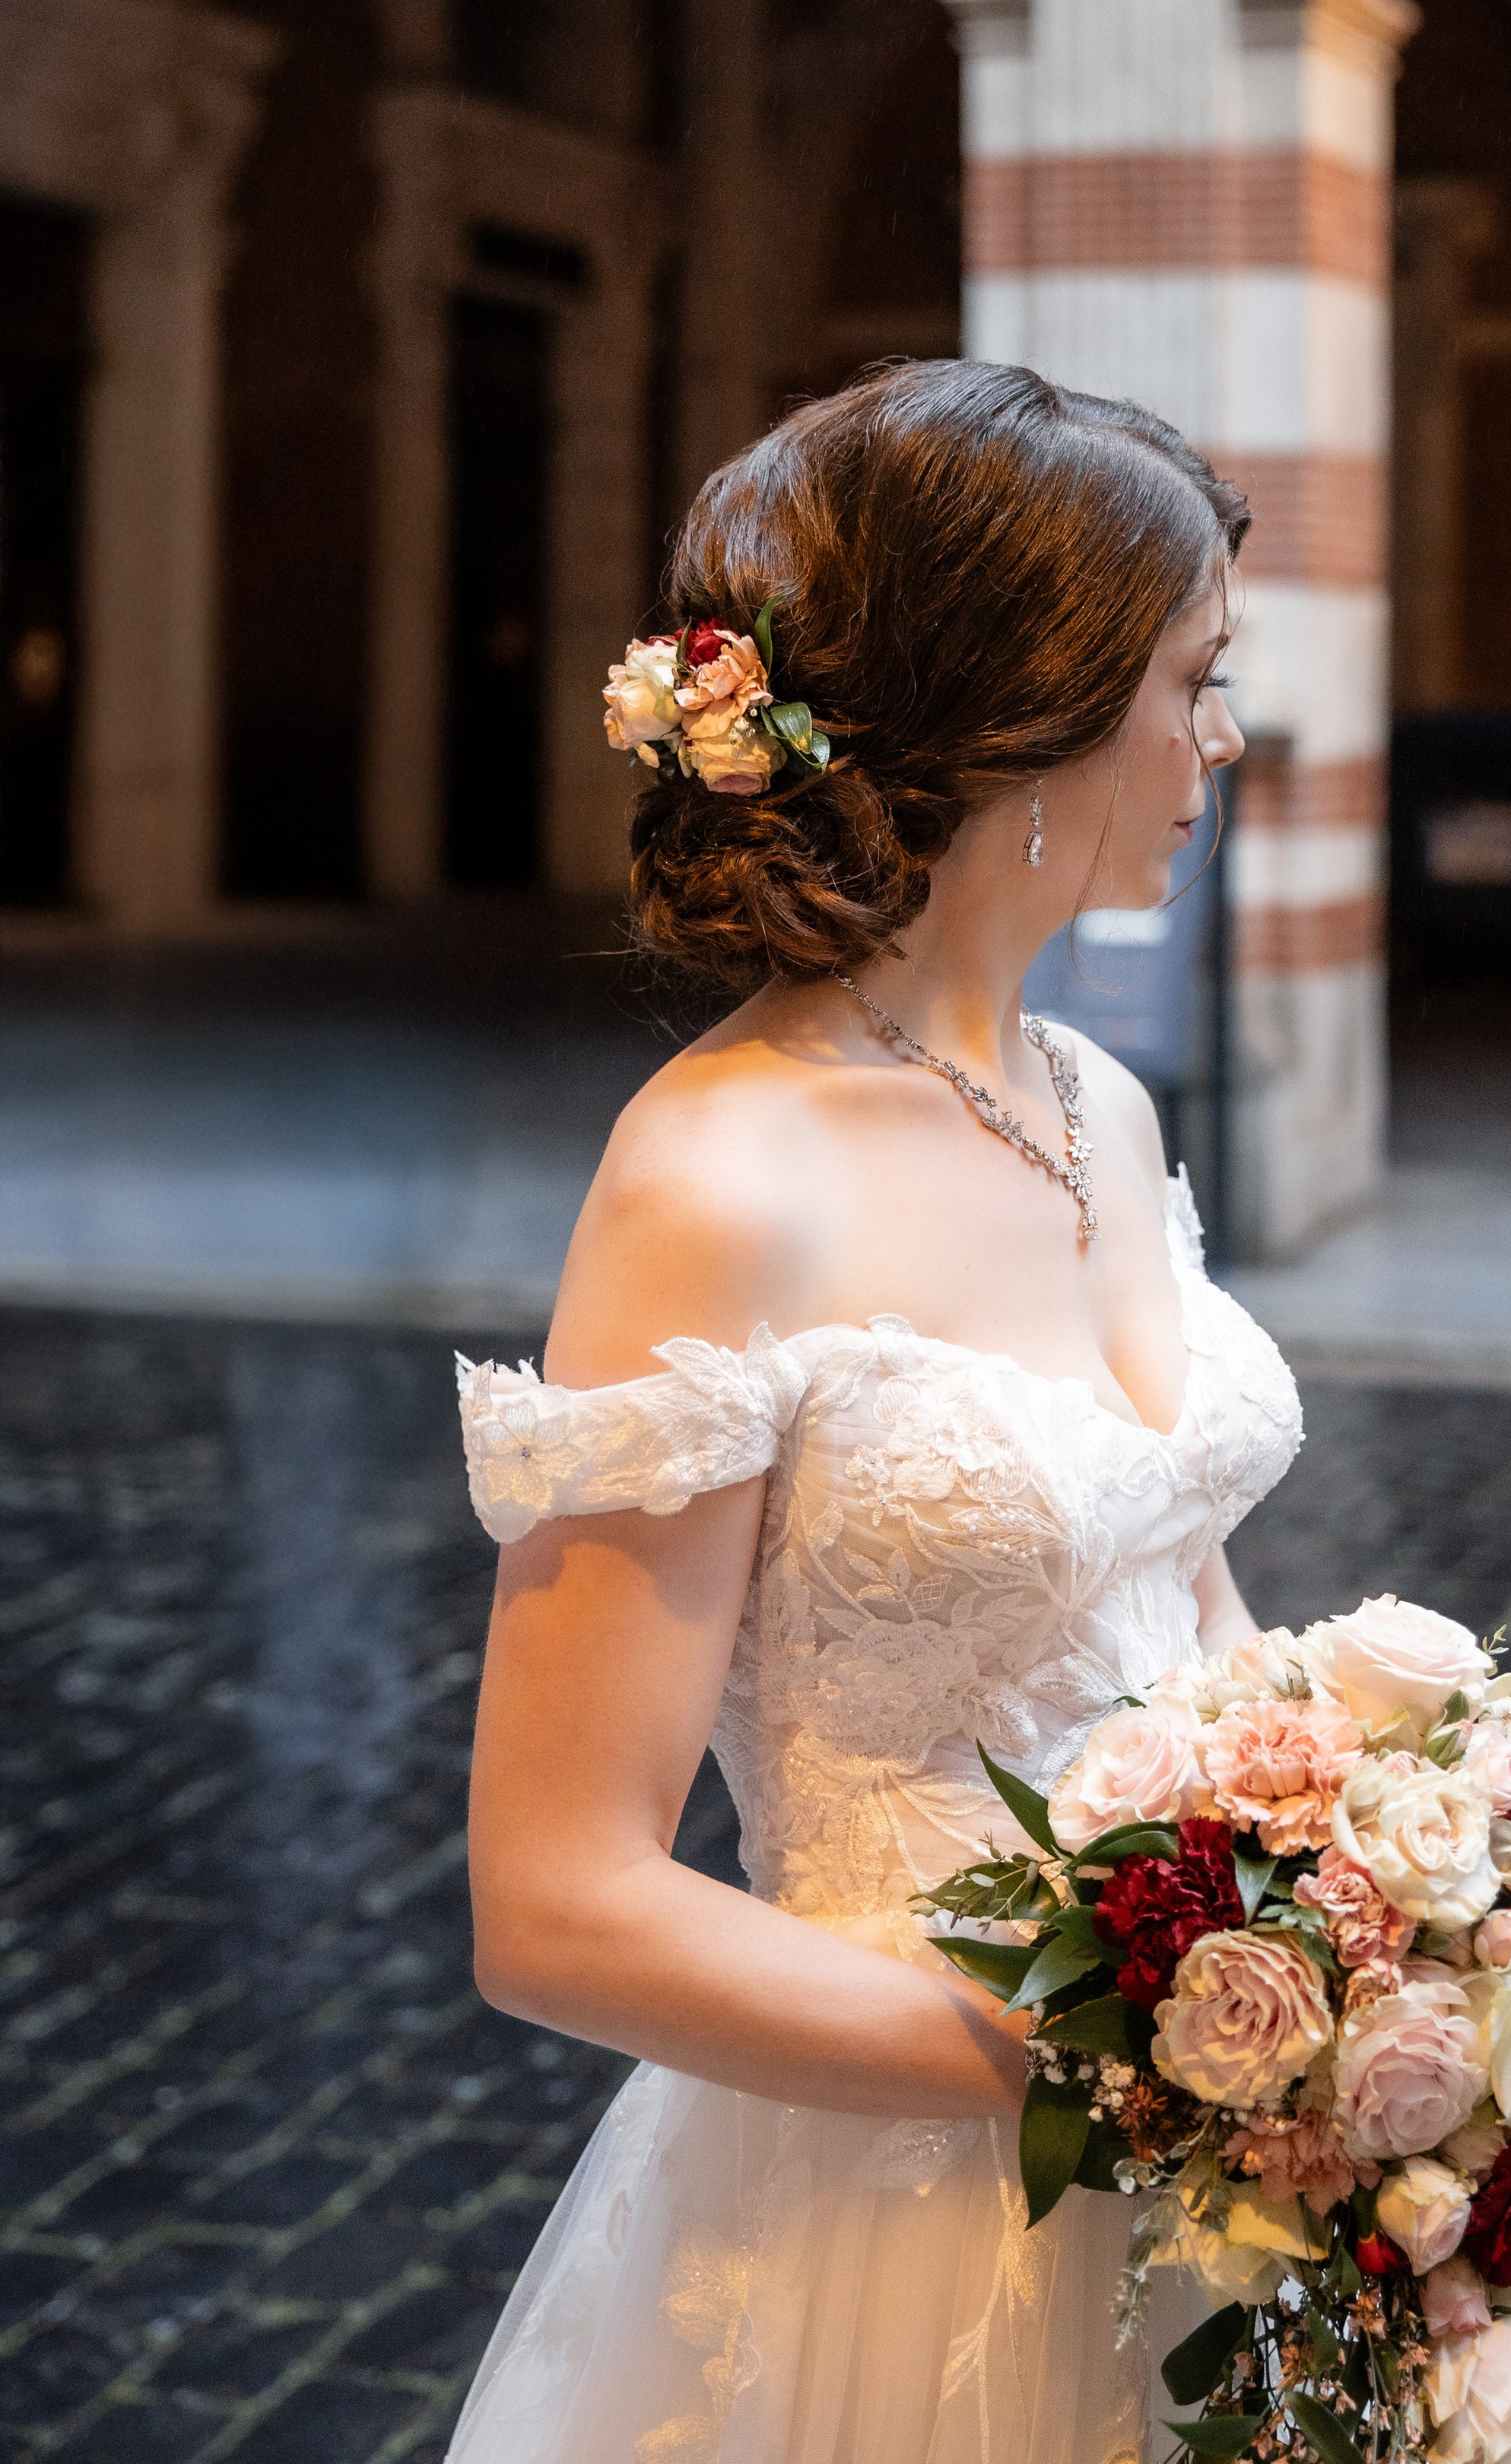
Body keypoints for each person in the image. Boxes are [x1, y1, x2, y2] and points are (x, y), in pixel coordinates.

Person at [449, 360, 1305, 2462]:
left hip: (1217, 2175)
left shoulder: (1098, 1101)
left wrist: (1380, 1884)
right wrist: (1095, 2062)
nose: (1226, 734)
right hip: (886, 2222)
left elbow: (1176, 1599)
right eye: (1192, 678)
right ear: (1028, 702)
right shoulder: (720, 1178)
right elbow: (555, 1899)